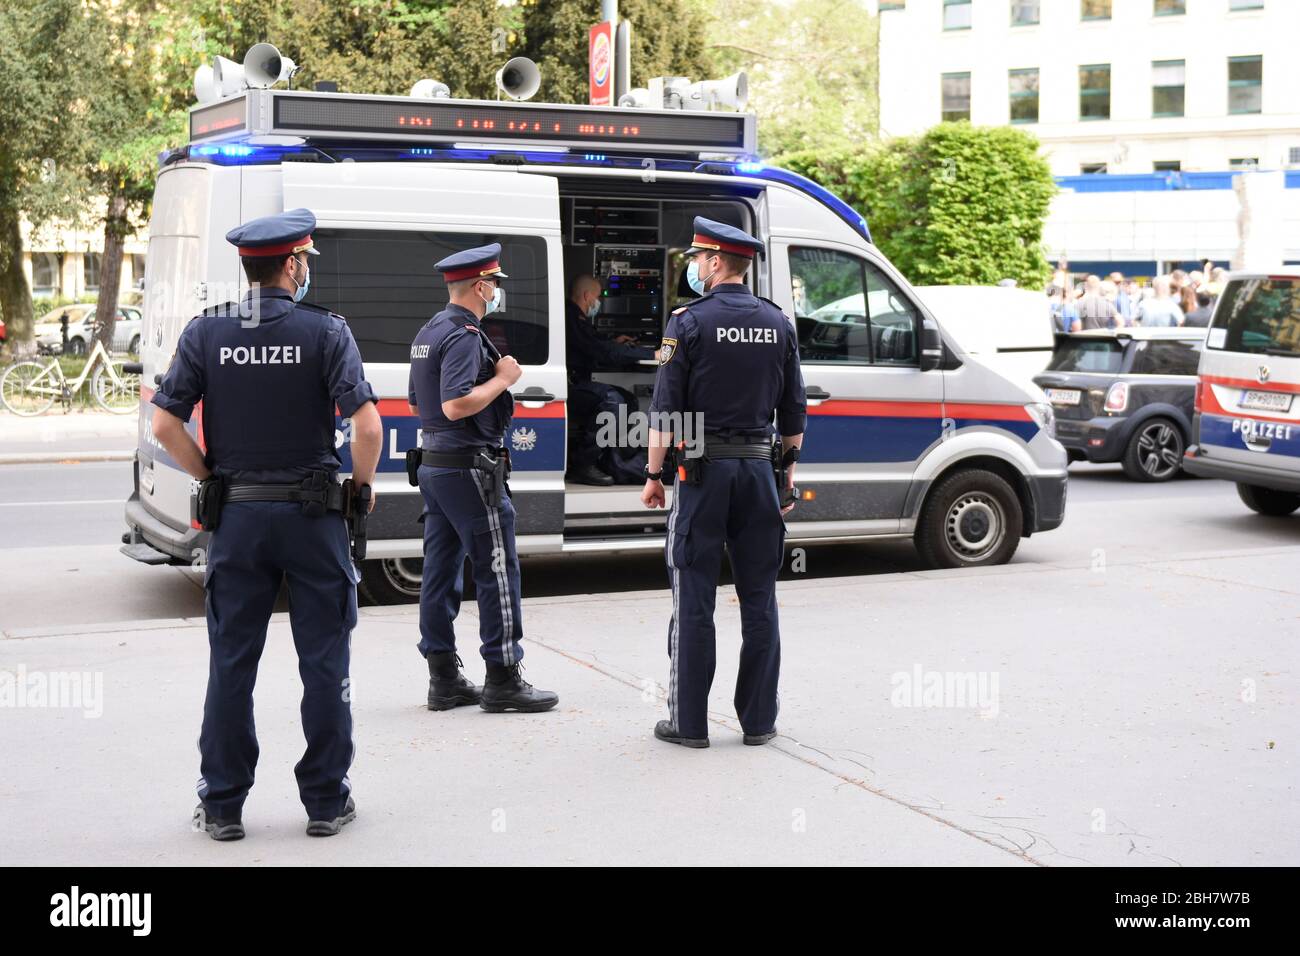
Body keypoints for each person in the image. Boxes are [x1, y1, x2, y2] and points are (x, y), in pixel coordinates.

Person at [150, 208, 382, 841]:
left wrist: (211, 477)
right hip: (313, 519)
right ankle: (326, 802)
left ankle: (223, 806)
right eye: (304, 260)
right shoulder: (327, 332)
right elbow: (367, 427)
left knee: (231, 663)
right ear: (292, 265)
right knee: (325, 662)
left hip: (239, 519)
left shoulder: (206, 333)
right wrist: (359, 491)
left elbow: (165, 425)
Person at [641, 217, 806, 749]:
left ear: (715, 262)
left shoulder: (686, 322)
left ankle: (689, 725)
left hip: (703, 474)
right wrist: (785, 475)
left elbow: (666, 411)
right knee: (760, 599)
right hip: (760, 472)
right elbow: (795, 411)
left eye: (696, 258)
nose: (692, 267)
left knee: (694, 596)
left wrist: (652, 475)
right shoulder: (778, 323)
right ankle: (759, 722)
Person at [408, 242, 558, 714]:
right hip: (469, 467)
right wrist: (503, 379)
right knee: (498, 570)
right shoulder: (466, 335)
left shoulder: (430, 330)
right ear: (480, 285)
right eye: (494, 283)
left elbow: (419, 403)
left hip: (436, 465)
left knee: (440, 571)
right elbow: (455, 404)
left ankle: (443, 678)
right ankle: (503, 676)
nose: (496, 291)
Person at [565, 274, 657, 485]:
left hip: (576, 382)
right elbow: (601, 351)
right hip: (569, 385)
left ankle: (616, 458)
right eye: (598, 297)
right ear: (588, 296)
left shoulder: (576, 318)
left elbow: (594, 343)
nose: (598, 303)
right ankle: (583, 464)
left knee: (628, 399)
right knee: (612, 400)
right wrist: (651, 354)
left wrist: (615, 342)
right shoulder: (571, 317)